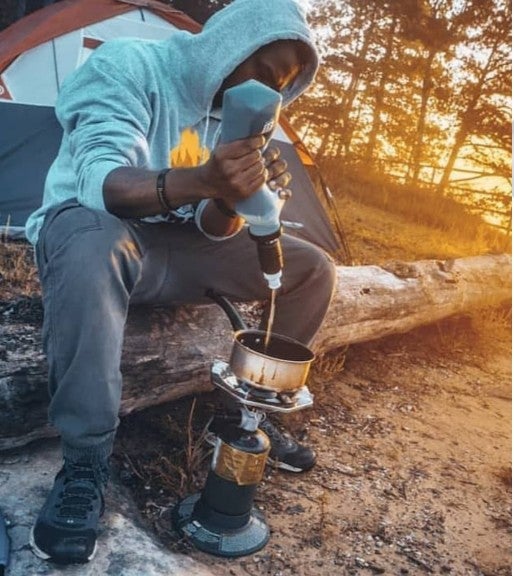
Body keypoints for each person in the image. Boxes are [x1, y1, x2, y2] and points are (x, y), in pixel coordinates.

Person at [23, 0, 336, 564]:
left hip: (177, 252)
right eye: (264, 75)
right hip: (96, 235)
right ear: (228, 45)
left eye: (284, 89)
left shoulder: (240, 122)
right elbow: (100, 182)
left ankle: (242, 415)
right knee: (95, 238)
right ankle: (85, 461)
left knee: (313, 269)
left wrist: (231, 196)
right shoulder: (129, 66)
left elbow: (213, 231)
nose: (270, 98)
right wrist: (202, 177)